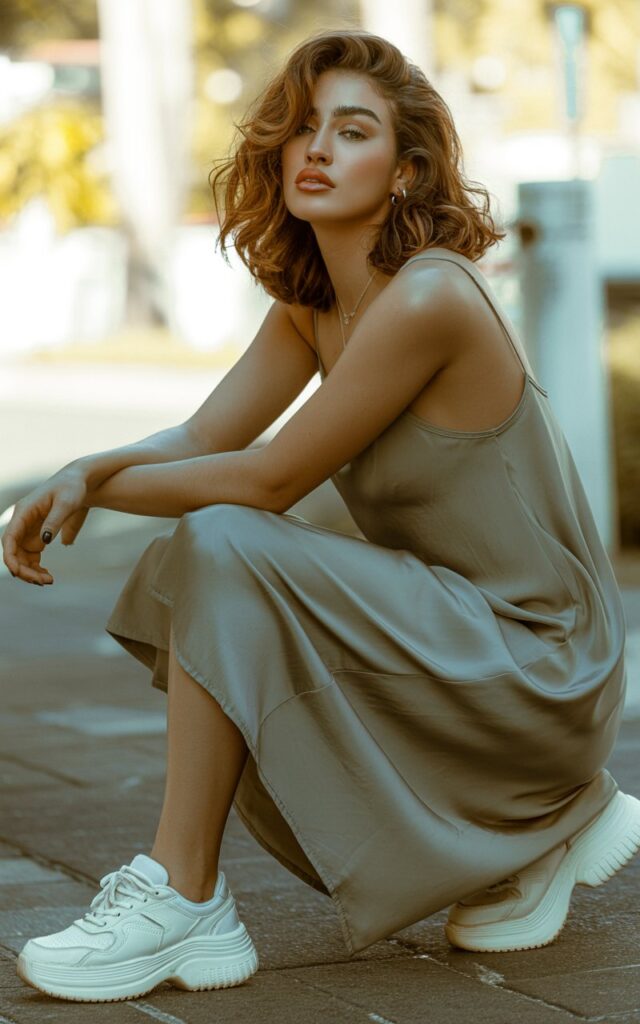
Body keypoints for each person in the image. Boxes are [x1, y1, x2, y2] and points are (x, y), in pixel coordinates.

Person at [2, 28, 638, 1005]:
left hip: (536, 662)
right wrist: (86, 469)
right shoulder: (312, 304)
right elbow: (201, 436)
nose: (318, 149)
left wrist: (92, 489)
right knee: (219, 557)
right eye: (303, 127)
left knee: (226, 540)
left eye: (352, 131)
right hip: (455, 639)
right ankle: (530, 834)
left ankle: (185, 892)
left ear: (405, 169)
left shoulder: (430, 297)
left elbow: (265, 479)